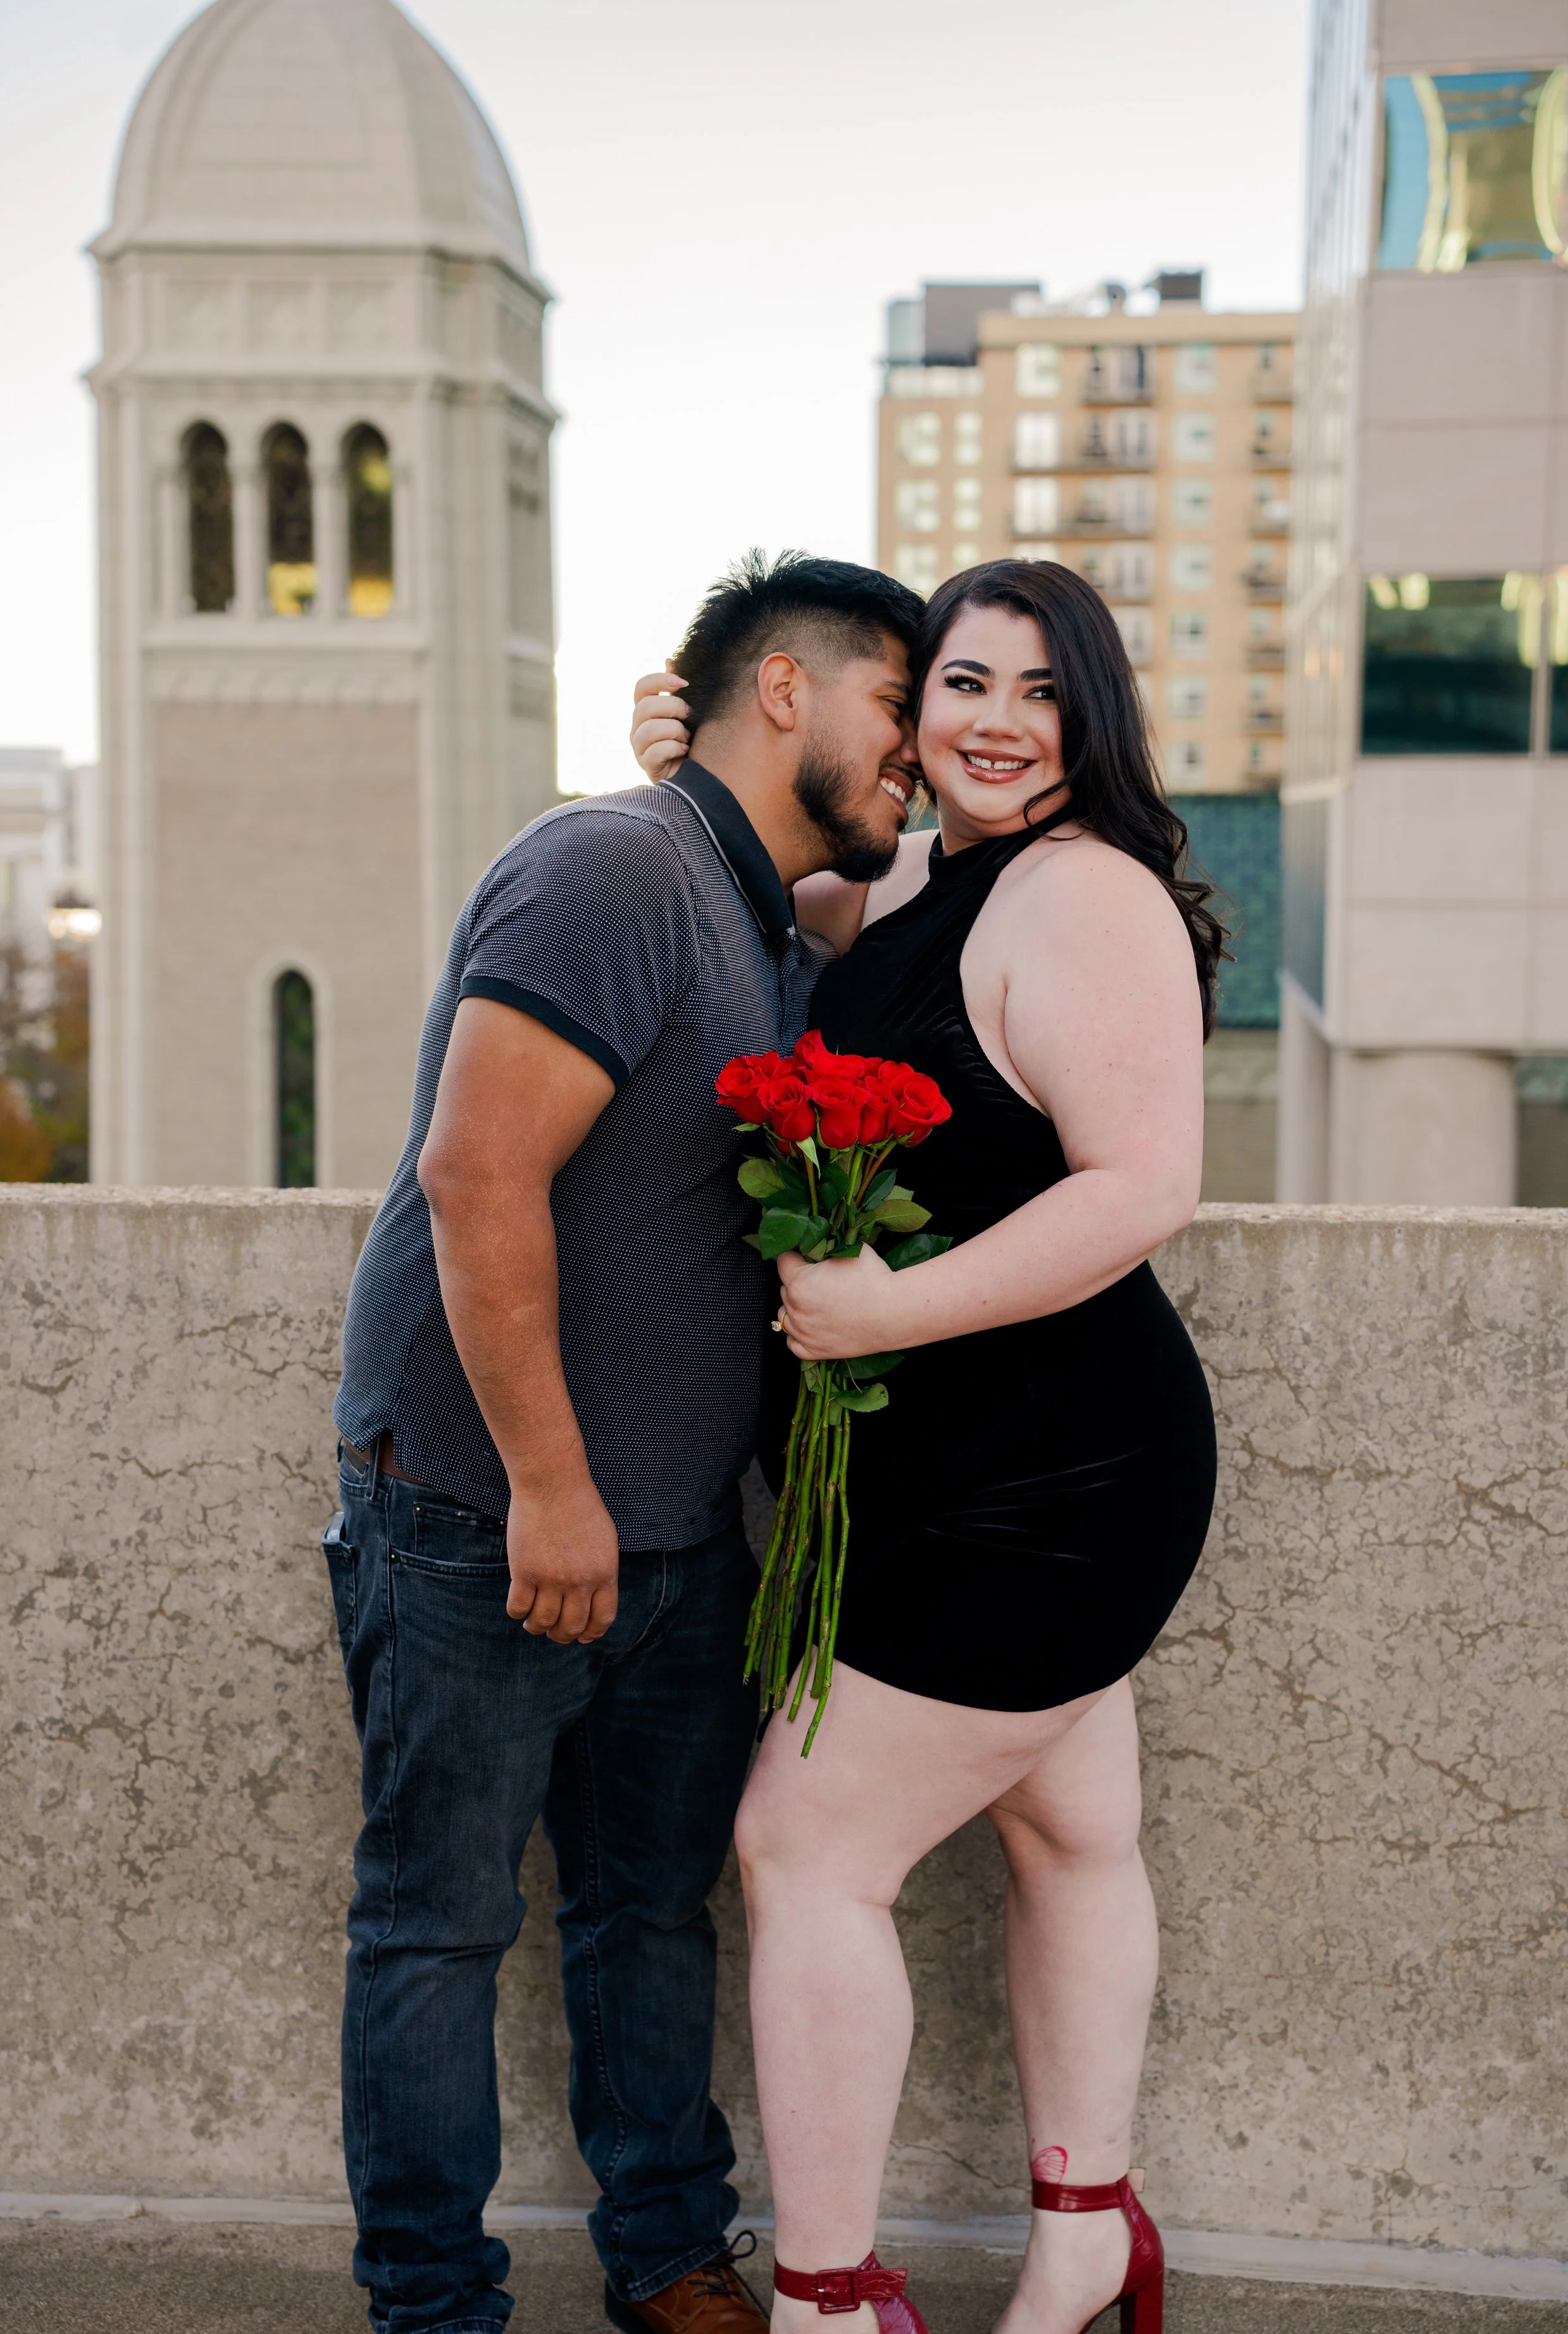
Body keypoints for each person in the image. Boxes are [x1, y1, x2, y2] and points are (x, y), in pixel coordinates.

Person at [325, 550, 924, 2334]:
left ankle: (667, 2254)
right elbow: (474, 1170)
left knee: (651, 1916)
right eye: (900, 707)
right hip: (484, 1508)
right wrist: (553, 1491)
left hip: (670, 1532)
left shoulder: (752, 911)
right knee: (435, 1927)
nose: (911, 753)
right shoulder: (610, 865)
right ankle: (433, 2304)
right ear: (785, 693)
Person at [629, 558, 1222, 2334]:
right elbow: (780, 897)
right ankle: (1085, 2227)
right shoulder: (925, 892)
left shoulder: (1080, 889)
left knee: (806, 1849)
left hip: (1057, 1473)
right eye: (959, 682)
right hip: (951, 1462)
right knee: (1071, 1837)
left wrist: (882, 1315)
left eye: (1041, 692)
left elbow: (1145, 1185)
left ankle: (824, 2299)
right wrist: (678, 749)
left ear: (1090, 718)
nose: (992, 722)